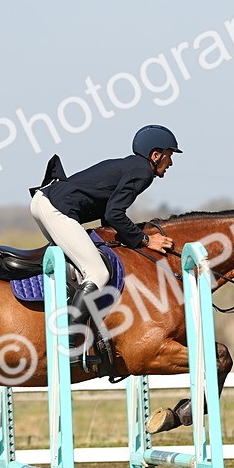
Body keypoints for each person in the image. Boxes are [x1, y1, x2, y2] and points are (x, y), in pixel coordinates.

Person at [30, 125, 178, 335]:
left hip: (44, 201)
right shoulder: (143, 171)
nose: (171, 162)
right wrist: (146, 240)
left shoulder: (130, 165)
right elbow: (114, 214)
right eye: (169, 156)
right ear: (155, 155)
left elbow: (108, 213)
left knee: (77, 268)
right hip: (56, 208)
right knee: (98, 273)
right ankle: (68, 338)